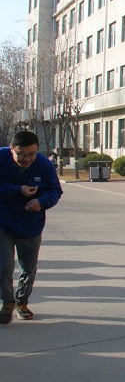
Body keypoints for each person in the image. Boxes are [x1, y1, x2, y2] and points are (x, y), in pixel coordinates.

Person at [0, 131, 63, 325]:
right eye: (21, 154)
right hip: (3, 223)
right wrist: (17, 190)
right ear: (11, 149)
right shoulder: (1, 159)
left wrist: (41, 202)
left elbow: (55, 190)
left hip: (31, 225)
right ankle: (7, 302)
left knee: (28, 268)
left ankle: (22, 301)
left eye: (32, 154)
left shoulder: (44, 164)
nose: (26, 159)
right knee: (3, 267)